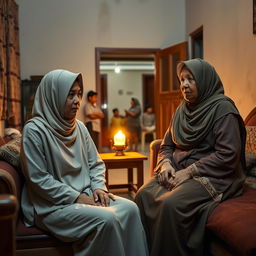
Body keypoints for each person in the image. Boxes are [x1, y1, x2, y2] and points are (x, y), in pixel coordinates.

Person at [20, 69, 149, 256]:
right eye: (70, 94)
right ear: (53, 96)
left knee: (131, 208)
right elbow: (38, 179)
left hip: (87, 194)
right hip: (52, 205)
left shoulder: (79, 127)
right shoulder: (34, 131)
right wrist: (77, 198)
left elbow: (95, 163)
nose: (77, 100)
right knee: (107, 219)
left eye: (79, 94)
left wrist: (98, 187)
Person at [135, 59, 246, 256]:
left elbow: (228, 154)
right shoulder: (182, 110)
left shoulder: (223, 109)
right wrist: (166, 163)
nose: (184, 85)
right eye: (182, 79)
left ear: (204, 80)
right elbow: (167, 145)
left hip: (213, 174)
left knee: (170, 204)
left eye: (190, 79)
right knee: (143, 196)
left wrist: (189, 172)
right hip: (178, 168)